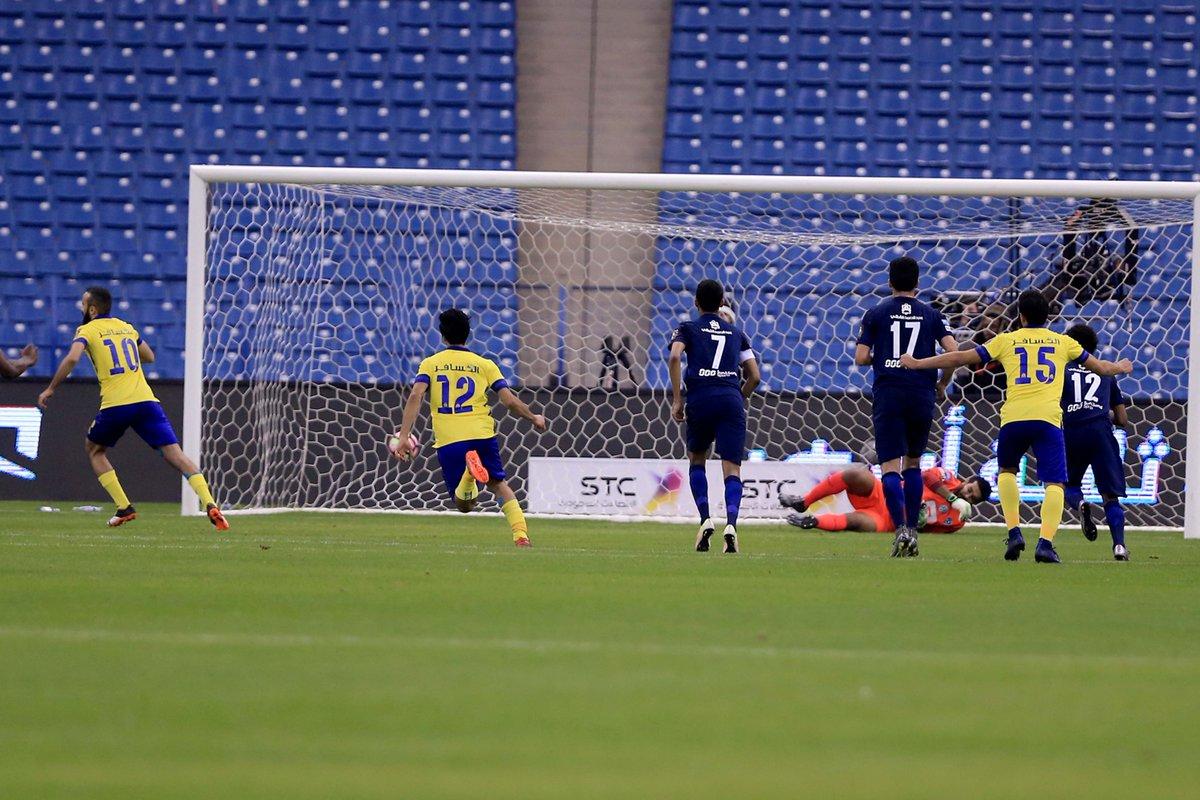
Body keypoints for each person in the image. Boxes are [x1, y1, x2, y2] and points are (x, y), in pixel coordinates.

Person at [900, 289, 1132, 564]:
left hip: (1014, 418)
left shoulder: (1006, 340)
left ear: (1020, 316)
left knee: (1007, 472)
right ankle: (1045, 543)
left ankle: (1014, 533)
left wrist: (918, 363)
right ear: (1048, 317)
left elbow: (959, 358)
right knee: (1055, 483)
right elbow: (1102, 369)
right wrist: (1120, 366)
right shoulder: (1062, 343)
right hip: (1048, 421)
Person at [37, 286, 228, 530]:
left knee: (94, 450)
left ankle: (124, 506)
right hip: (146, 401)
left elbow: (73, 358)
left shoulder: (86, 330)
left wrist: (51, 388)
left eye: (84, 304)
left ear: (92, 309)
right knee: (176, 455)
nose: (81, 308)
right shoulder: (127, 327)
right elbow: (149, 356)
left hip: (116, 403)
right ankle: (210, 503)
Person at [391, 308, 546, 547]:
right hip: (482, 434)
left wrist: (404, 435)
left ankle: (468, 476)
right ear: (468, 334)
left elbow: (415, 395)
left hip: (450, 439)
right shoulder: (484, 364)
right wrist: (533, 417)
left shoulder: (431, 364)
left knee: (464, 504)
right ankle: (520, 535)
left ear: (442, 336)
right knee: (498, 484)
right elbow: (509, 401)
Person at [854, 255, 958, 558]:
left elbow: (861, 358)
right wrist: (941, 383)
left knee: (889, 467)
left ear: (889, 282)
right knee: (913, 463)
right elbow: (954, 352)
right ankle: (913, 529)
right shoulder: (932, 314)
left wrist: (883, 356)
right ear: (918, 283)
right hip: (921, 392)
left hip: (889, 393)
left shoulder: (875, 313)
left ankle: (899, 529)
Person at [668, 279, 760, 554]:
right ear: (722, 303)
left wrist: (677, 399)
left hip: (700, 398)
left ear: (696, 302)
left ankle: (706, 519)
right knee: (732, 468)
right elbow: (755, 376)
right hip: (730, 398)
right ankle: (731, 525)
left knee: (698, 459)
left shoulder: (687, 328)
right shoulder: (737, 332)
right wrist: (737, 396)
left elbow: (674, 357)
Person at [1061, 323, 1130, 561]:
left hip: (1071, 431)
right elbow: (1122, 419)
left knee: (1066, 484)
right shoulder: (1106, 373)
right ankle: (1119, 546)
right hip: (1101, 432)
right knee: (1110, 496)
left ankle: (1080, 503)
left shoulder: (1062, 371)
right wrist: (1103, 412)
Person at [781, 466, 990, 534]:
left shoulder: (957, 521)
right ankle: (804, 502)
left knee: (857, 522)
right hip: (884, 494)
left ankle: (813, 522)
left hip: (890, 520)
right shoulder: (948, 478)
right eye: (971, 489)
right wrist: (952, 498)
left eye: (973, 498)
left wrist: (918, 525)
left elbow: (928, 532)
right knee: (857, 475)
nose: (968, 495)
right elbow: (927, 476)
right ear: (969, 480)